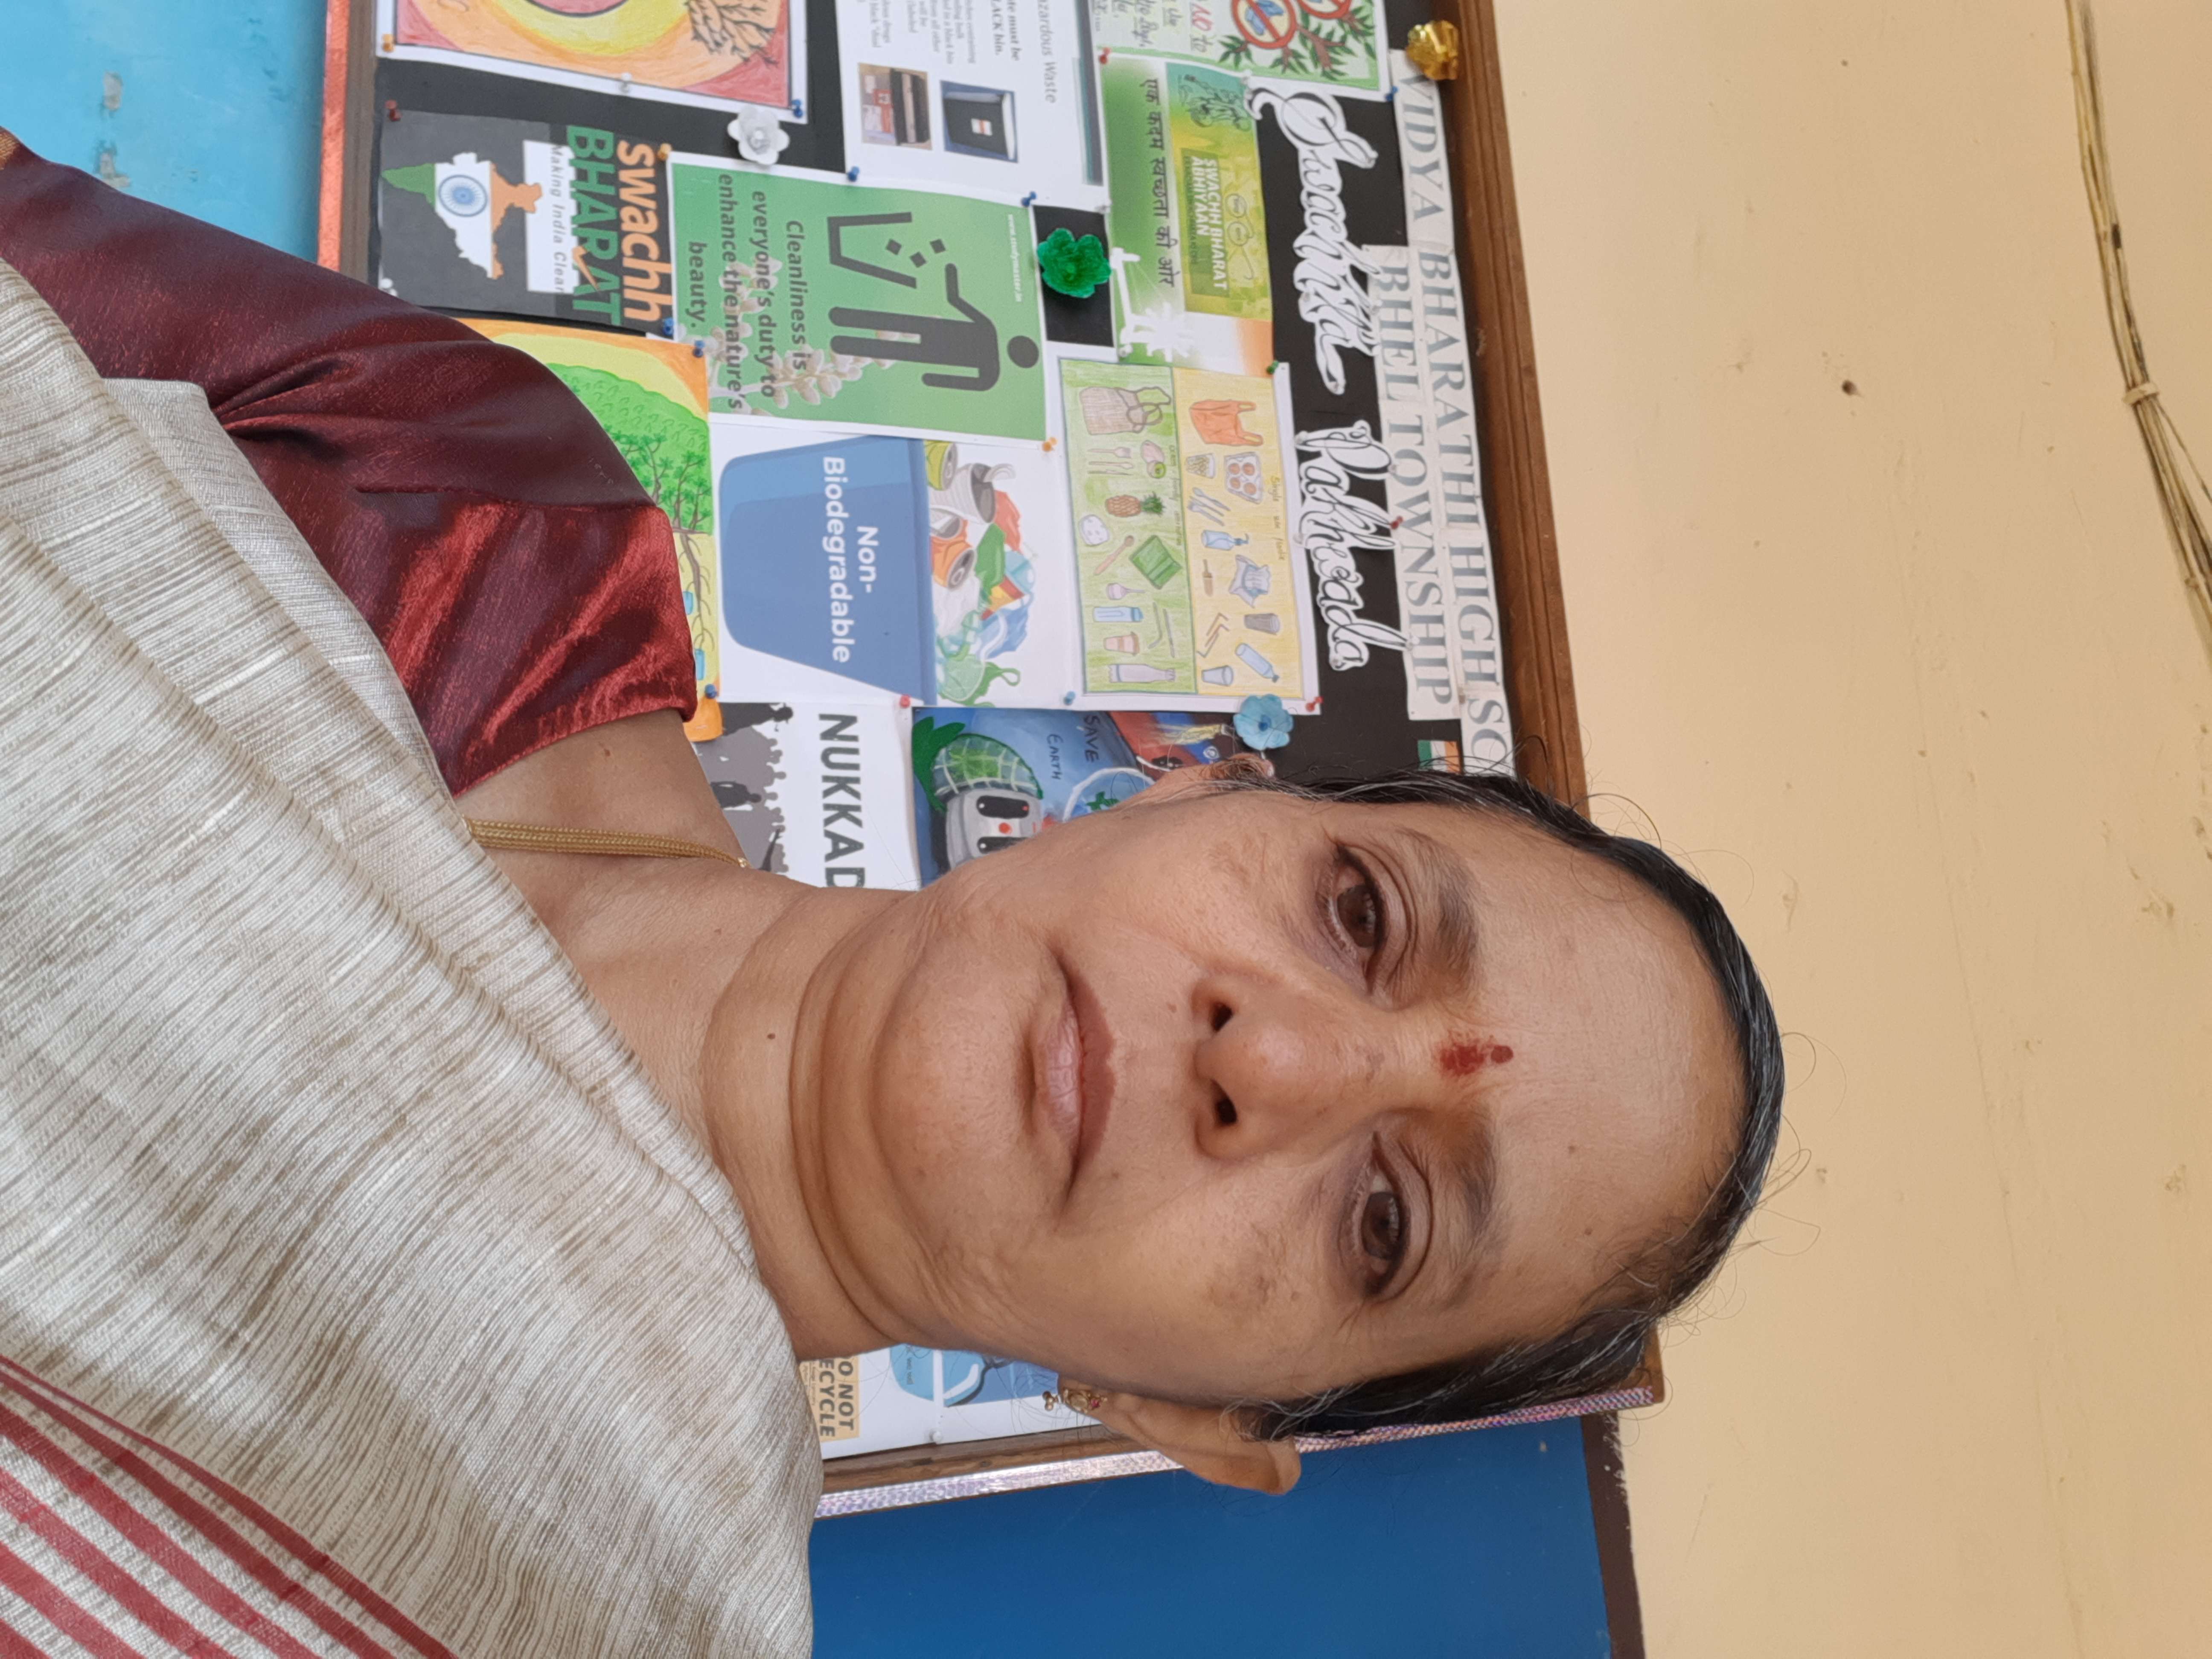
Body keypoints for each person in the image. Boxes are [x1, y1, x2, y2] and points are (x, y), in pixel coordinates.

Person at [0, 135, 1783, 1656]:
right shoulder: (480, 505)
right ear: (1194, 787)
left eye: (1385, 1222)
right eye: (1363, 918)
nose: (1278, 1063)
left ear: (1196, 1418)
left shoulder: (592, 1613)